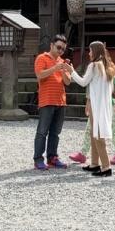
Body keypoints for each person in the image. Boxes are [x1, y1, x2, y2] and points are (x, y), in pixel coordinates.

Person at [69, 41, 115, 177]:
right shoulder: (107, 66)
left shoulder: (94, 65)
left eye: (90, 51)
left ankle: (106, 167)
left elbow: (83, 82)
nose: (89, 53)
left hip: (97, 106)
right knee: (93, 133)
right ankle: (95, 163)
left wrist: (71, 72)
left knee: (98, 136)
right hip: (104, 105)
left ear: (95, 51)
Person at [32, 35, 72, 170]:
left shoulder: (62, 61)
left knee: (55, 132)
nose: (60, 51)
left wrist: (65, 71)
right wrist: (55, 68)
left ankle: (52, 157)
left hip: (60, 101)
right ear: (51, 45)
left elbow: (67, 82)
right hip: (47, 100)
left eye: (63, 49)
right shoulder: (41, 58)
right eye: (58, 47)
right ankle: (38, 159)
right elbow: (40, 75)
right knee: (42, 131)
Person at [68, 75, 115, 165]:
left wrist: (89, 102)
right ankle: (84, 153)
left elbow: (94, 90)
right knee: (93, 128)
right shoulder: (108, 73)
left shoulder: (100, 73)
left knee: (109, 128)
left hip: (102, 104)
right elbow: (113, 91)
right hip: (103, 104)